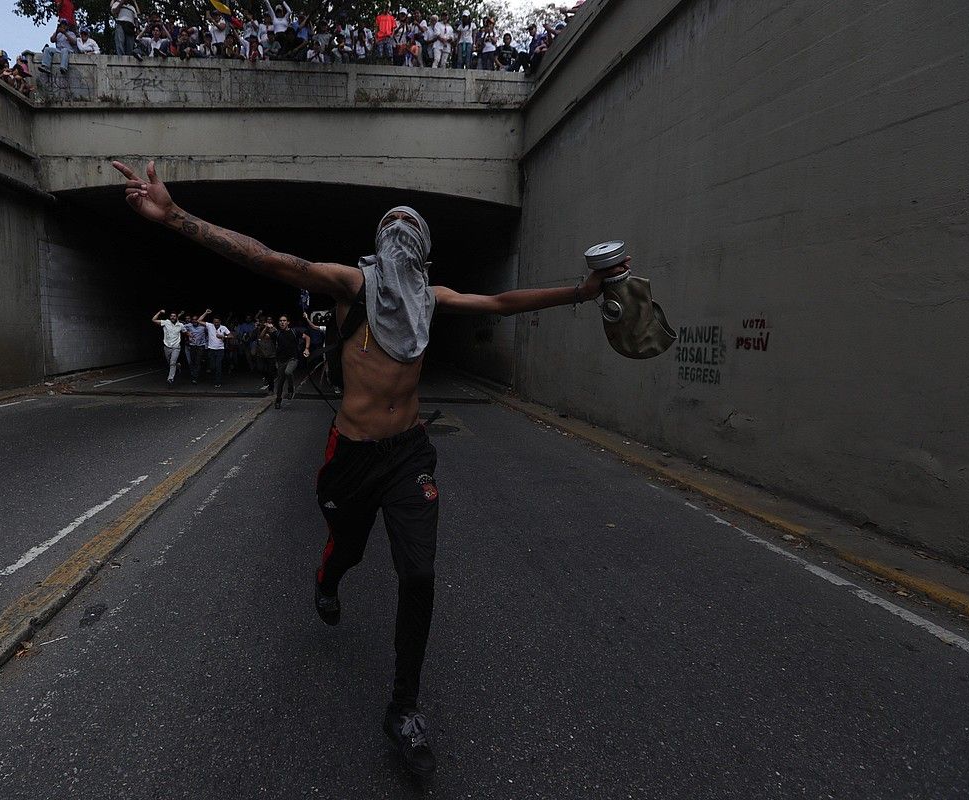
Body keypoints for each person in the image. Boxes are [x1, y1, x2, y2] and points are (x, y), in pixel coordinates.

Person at [111, 160, 627, 778]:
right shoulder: (352, 286)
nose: (403, 237)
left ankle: (404, 707)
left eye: (414, 229)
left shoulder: (430, 301)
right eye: (395, 227)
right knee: (347, 551)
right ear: (379, 243)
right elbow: (270, 258)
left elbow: (498, 300)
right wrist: (174, 217)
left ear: (427, 255)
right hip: (352, 456)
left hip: (408, 454)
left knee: (420, 575)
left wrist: (579, 292)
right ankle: (328, 581)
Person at [262, 313, 309, 408]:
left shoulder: (294, 331)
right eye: (280, 321)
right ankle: (278, 400)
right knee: (280, 383)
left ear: (288, 322)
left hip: (293, 358)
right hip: (281, 361)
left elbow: (307, 337)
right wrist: (266, 327)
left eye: (284, 321)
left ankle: (291, 389)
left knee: (288, 372)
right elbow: (262, 336)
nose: (282, 322)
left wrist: (307, 348)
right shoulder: (277, 333)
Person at [153, 309, 185, 384]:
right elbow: (153, 320)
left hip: (176, 347)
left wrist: (190, 336)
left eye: (174, 316)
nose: (172, 317)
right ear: (170, 317)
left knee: (172, 363)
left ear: (177, 317)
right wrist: (159, 312)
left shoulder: (180, 325)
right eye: (171, 316)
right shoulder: (166, 322)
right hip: (167, 346)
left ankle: (170, 378)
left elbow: (185, 331)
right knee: (170, 362)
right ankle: (178, 365)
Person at [204, 313, 231, 387]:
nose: (216, 323)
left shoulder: (223, 327)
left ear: (220, 322)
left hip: (220, 350)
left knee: (218, 365)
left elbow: (231, 335)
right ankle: (214, 378)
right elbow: (199, 320)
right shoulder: (210, 326)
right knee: (213, 366)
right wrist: (206, 313)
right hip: (211, 349)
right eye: (214, 322)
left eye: (217, 322)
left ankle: (218, 382)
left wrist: (223, 336)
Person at [184, 312, 208, 384]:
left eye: (196, 319)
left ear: (198, 320)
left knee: (197, 361)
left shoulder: (203, 326)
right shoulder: (189, 325)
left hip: (201, 346)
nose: (194, 321)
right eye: (193, 320)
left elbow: (208, 332)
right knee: (192, 361)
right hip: (192, 346)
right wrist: (187, 333)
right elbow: (180, 327)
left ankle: (195, 377)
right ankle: (194, 373)